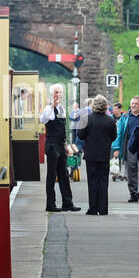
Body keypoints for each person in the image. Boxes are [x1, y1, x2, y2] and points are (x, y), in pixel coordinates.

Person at [39, 85, 81, 213]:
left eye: (61, 92)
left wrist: (66, 145)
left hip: (60, 144)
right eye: (56, 92)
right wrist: (52, 106)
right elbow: (43, 119)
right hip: (52, 145)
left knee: (63, 173)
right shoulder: (49, 108)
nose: (59, 94)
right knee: (51, 175)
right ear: (52, 94)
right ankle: (50, 204)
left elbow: (63, 127)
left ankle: (67, 202)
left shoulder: (62, 108)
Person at [81, 95, 117, 215]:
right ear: (105, 106)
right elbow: (114, 136)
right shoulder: (110, 120)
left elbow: (81, 135)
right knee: (103, 181)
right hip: (104, 154)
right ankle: (103, 208)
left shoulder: (87, 118)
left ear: (93, 105)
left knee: (92, 182)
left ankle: (93, 208)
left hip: (91, 154)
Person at [114, 96, 139, 202]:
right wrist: (116, 148)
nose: (134, 106)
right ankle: (133, 193)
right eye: (132, 103)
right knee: (131, 170)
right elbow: (119, 133)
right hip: (129, 145)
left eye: (136, 104)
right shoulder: (124, 117)